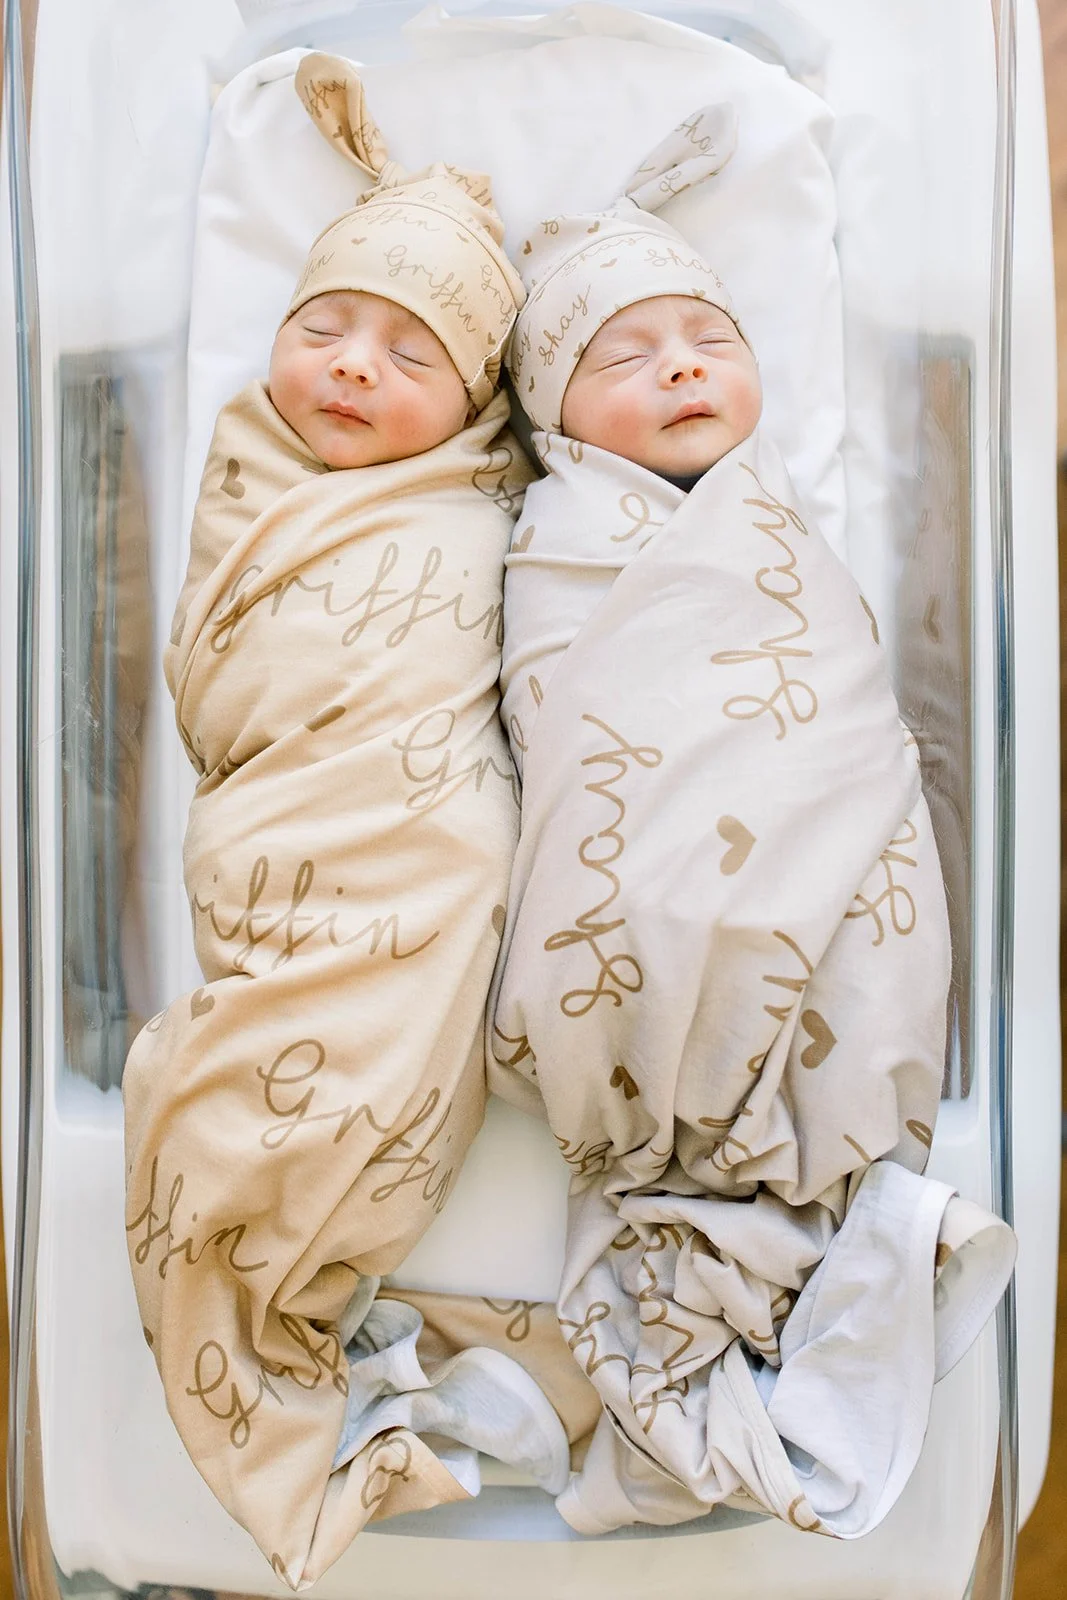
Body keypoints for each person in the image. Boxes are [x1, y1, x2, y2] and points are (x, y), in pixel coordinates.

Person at [490, 107, 1015, 1541]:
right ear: (551, 413)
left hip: (820, 823)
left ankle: (786, 1230)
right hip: (635, 897)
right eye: (623, 354)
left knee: (856, 909)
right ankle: (722, 1220)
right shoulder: (558, 542)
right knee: (652, 922)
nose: (679, 366)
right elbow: (569, 729)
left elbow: (833, 703)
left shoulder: (773, 519)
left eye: (711, 343)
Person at [121, 59, 572, 1594]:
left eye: (409, 354)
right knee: (226, 1095)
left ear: (476, 407)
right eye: (321, 329)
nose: (352, 369)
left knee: (285, 1108)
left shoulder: (480, 505)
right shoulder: (252, 475)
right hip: (282, 836)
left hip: (413, 859)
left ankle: (291, 1317)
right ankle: (291, 1345)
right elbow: (222, 675)